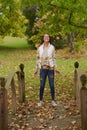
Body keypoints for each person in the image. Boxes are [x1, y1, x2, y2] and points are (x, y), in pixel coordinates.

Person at [34, 34, 60, 107]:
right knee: (42, 85)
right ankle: (40, 101)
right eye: (45, 37)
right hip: (42, 69)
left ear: (49, 38)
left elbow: (54, 58)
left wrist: (56, 68)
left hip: (50, 69)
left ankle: (53, 101)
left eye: (47, 37)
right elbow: (38, 59)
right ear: (43, 38)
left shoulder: (52, 47)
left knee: (52, 85)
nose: (46, 38)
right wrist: (36, 70)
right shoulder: (40, 48)